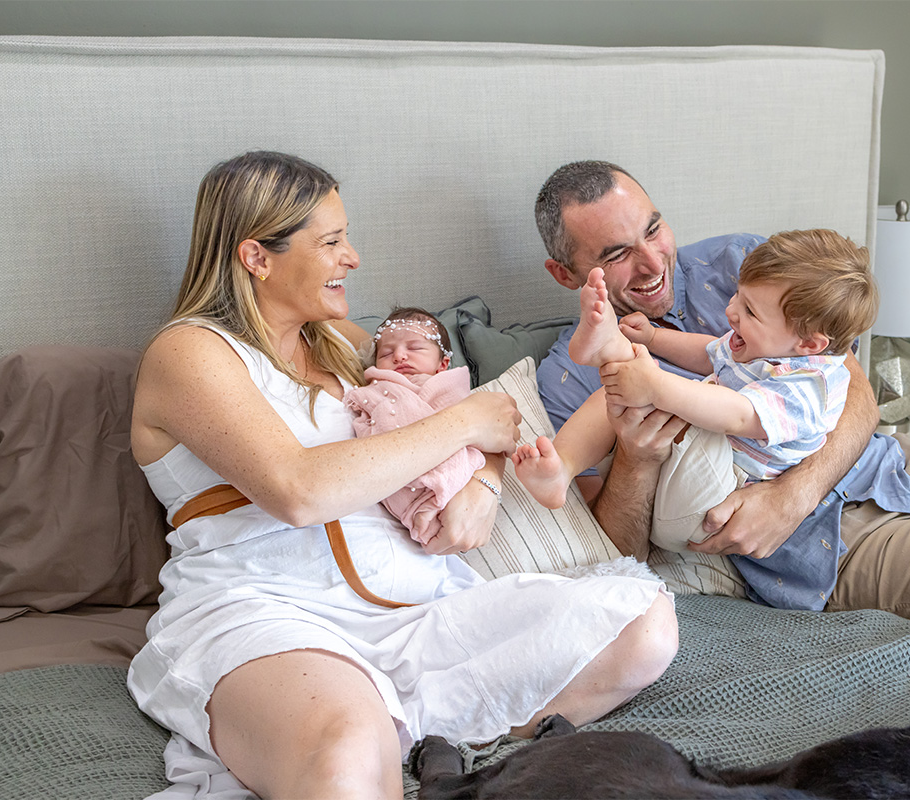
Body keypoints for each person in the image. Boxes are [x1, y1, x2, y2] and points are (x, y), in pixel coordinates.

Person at [127, 151, 677, 800]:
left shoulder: (345, 347)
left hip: (417, 604)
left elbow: (486, 417)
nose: (352, 257)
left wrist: (484, 483)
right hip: (268, 609)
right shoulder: (191, 350)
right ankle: (371, 742)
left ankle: (415, 739)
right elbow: (298, 490)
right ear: (257, 257)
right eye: (331, 241)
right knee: (348, 746)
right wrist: (465, 423)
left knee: (643, 623)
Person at [533, 159, 910, 621]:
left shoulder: (747, 265)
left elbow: (848, 385)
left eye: (654, 227)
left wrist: (794, 493)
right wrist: (638, 460)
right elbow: (613, 554)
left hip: (900, 467)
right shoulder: (564, 380)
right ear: (565, 274)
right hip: (842, 549)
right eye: (617, 253)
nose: (651, 261)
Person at [514, 230, 877, 607]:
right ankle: (562, 467)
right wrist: (651, 340)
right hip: (683, 489)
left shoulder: (808, 387)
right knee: (612, 396)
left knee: (657, 398)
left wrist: (656, 384)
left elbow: (736, 415)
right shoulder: (764, 344)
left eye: (750, 311)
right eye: (737, 294)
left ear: (810, 345)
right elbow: (708, 353)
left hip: (714, 500)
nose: (731, 311)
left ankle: (612, 350)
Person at [342, 307, 485, 547]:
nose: (398, 356)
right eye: (386, 353)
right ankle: (424, 506)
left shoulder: (447, 384)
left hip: (448, 449)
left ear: (443, 364)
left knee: (470, 456)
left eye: (415, 348)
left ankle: (438, 498)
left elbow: (467, 421)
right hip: (397, 460)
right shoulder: (380, 386)